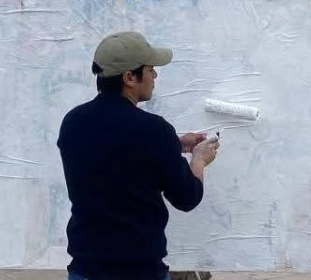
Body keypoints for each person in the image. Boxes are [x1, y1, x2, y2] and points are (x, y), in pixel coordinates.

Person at [58, 31, 220, 280]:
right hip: (140, 271)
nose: (154, 75)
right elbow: (188, 197)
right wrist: (198, 159)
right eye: (150, 69)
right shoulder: (154, 130)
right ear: (129, 77)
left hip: (85, 269)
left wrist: (174, 144)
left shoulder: (73, 122)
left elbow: (112, 151)